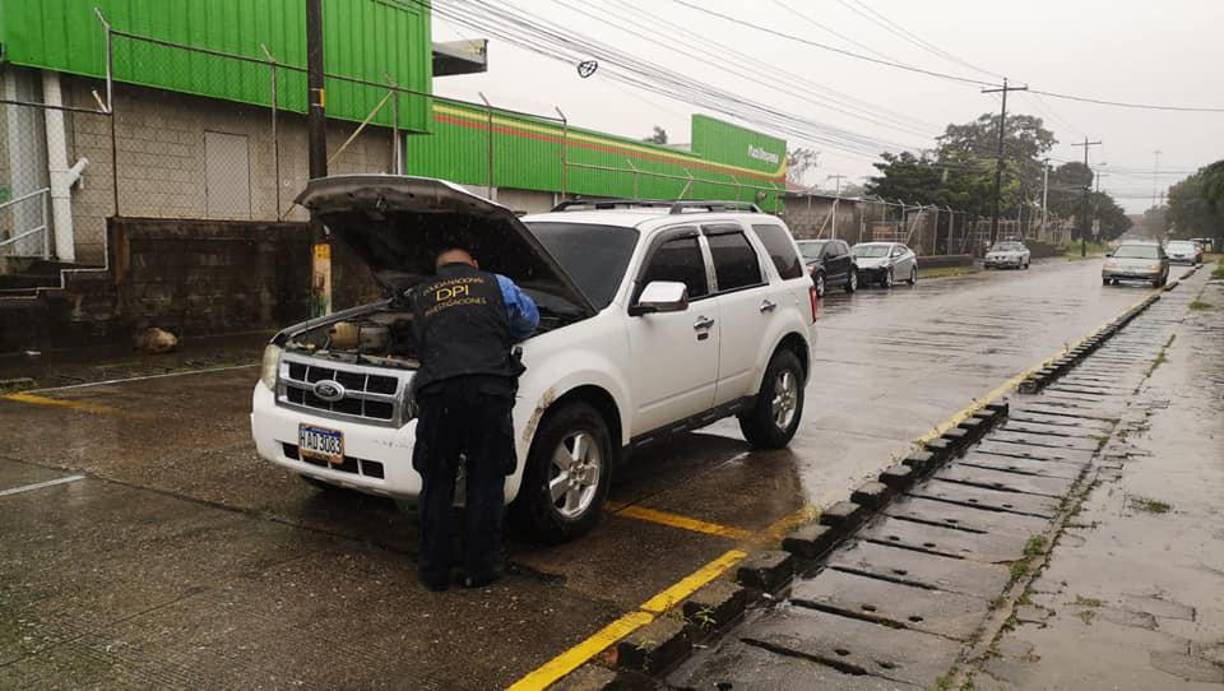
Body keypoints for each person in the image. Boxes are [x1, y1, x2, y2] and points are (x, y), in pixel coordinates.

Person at [408, 246, 539, 591]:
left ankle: (434, 571)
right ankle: (480, 568)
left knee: (436, 482)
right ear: (474, 266)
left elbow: (418, 342)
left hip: (438, 394)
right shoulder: (497, 284)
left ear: (439, 270)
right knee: (486, 478)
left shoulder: (420, 293)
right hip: (488, 391)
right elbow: (529, 321)